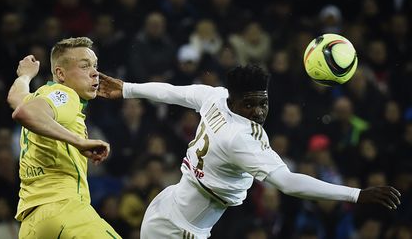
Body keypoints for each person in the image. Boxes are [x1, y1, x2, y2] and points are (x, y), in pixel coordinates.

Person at [97, 65, 401, 239]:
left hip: (167, 205)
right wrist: (356, 194)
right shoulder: (241, 138)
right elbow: (288, 183)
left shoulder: (214, 97)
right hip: (181, 230)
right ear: (234, 100)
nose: (258, 111)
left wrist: (127, 89)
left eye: (263, 103)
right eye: (249, 104)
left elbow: (174, 93)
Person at [7, 37, 121, 238]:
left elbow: (16, 99)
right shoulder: (65, 95)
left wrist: (25, 76)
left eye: (95, 65)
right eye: (85, 66)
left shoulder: (41, 97)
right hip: (63, 210)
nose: (95, 73)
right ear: (60, 73)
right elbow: (24, 113)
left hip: (31, 226)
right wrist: (80, 141)